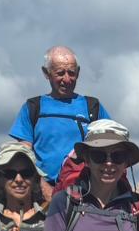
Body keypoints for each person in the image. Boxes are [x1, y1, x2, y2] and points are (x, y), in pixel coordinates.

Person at [8, 46, 109, 195]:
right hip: (42, 192)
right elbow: (23, 155)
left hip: (85, 191)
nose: (66, 79)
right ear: (46, 73)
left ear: (78, 72)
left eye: (71, 73)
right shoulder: (33, 107)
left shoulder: (92, 106)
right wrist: (45, 189)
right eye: (60, 73)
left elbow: (111, 145)